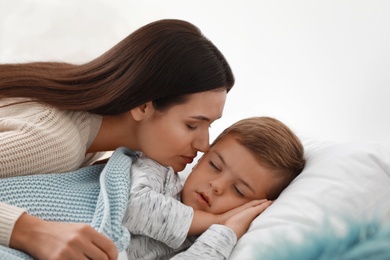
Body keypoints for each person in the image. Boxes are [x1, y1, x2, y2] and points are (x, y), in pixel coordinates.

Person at [0, 18, 234, 260]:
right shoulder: (56, 140)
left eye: (210, 126)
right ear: (143, 106)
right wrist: (32, 232)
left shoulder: (85, 134)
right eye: (192, 125)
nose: (204, 145)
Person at [0, 116, 306, 259]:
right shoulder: (158, 170)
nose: (216, 186)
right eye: (214, 165)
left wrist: (224, 233)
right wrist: (216, 220)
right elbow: (134, 207)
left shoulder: (198, 243)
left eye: (239, 191)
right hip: (26, 219)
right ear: (202, 158)